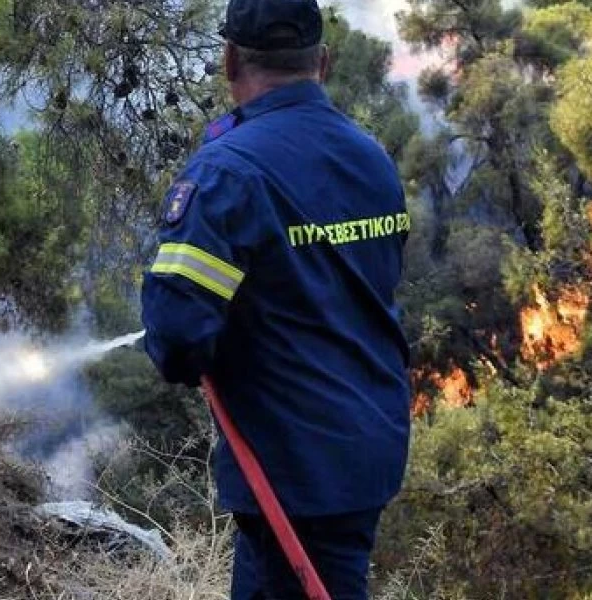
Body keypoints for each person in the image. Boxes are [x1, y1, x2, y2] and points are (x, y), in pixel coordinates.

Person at [138, 0, 412, 598]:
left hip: (287, 472)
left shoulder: (225, 173)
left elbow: (178, 337)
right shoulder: (371, 158)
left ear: (230, 59)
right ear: (324, 60)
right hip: (368, 450)